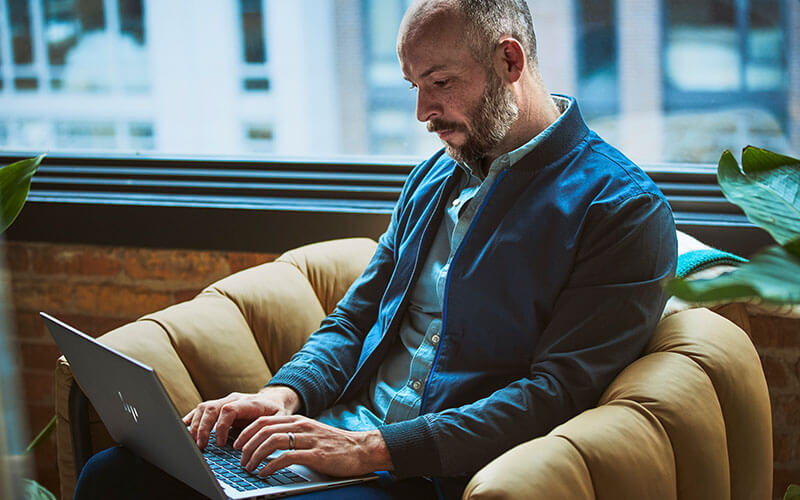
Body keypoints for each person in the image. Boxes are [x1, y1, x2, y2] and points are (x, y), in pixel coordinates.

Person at [75, 0, 677, 498]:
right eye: (415, 86)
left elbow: (556, 396)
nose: (422, 112)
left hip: (425, 474)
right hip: (335, 441)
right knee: (114, 474)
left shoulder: (621, 209)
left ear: (509, 60)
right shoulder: (433, 180)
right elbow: (354, 320)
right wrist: (280, 396)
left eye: (440, 83)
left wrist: (370, 449)